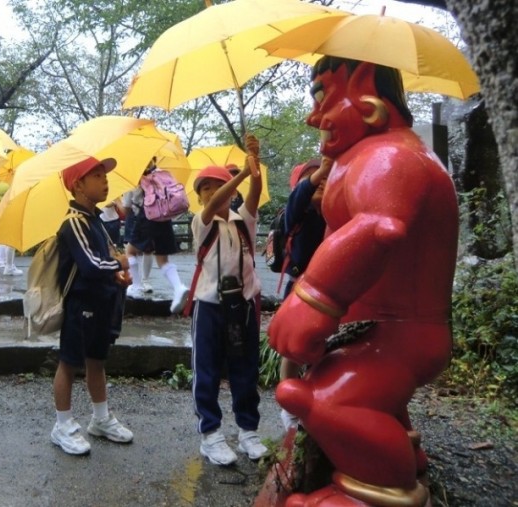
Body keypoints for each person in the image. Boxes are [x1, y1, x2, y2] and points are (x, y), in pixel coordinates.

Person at [268, 56, 459, 506]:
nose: (314, 116)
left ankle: (382, 488)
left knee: (321, 399)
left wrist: (313, 299)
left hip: (398, 333)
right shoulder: (379, 153)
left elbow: (379, 226)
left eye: (324, 97)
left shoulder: (390, 156)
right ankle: (398, 441)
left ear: (368, 92)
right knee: (367, 391)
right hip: (382, 328)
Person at [189, 134, 268, 466]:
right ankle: (211, 434)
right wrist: (239, 175)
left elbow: (253, 192)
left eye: (215, 186)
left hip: (244, 305)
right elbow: (214, 204)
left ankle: (248, 430)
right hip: (209, 305)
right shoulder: (201, 222)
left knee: (245, 368)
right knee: (206, 370)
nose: (210, 192)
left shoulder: (242, 221)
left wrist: (254, 161)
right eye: (204, 187)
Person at [51, 156, 133, 456]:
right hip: (81, 305)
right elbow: (90, 265)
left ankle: (100, 419)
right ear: (78, 185)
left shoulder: (95, 220)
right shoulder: (74, 222)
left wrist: (118, 277)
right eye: (97, 176)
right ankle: (62, 425)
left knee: (96, 360)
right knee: (69, 362)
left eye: (104, 175)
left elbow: (104, 263)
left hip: (102, 302)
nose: (105, 180)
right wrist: (118, 263)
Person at [277, 158, 329, 432]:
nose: (320, 180)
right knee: (294, 349)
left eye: (324, 176)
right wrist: (321, 170)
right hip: (301, 290)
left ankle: (316, 400)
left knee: (325, 349)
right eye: (311, 177)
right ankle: (289, 409)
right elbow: (298, 195)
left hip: (332, 295)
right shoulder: (297, 211)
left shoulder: (334, 212)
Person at [124, 157, 189, 313]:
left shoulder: (136, 178)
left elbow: (127, 205)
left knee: (130, 251)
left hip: (146, 217)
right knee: (162, 259)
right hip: (164, 218)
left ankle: (137, 286)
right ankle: (178, 287)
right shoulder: (163, 173)